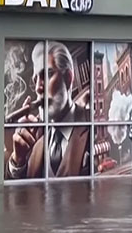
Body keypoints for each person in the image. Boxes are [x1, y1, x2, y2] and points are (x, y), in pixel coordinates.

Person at [6, 40, 90, 179]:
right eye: (36, 80)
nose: (39, 87)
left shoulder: (92, 126)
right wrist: (18, 159)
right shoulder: (35, 144)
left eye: (47, 74)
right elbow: (17, 196)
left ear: (68, 79)